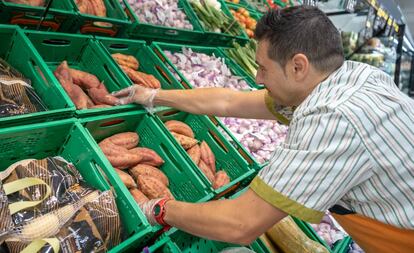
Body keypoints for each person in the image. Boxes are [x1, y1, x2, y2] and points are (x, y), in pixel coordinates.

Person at [113, 6, 414, 253]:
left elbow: (241, 224)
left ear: (298, 66)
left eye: (263, 68)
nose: (257, 77)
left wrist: (160, 209)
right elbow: (229, 101)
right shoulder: (349, 76)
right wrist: (154, 96)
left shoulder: (332, 118)